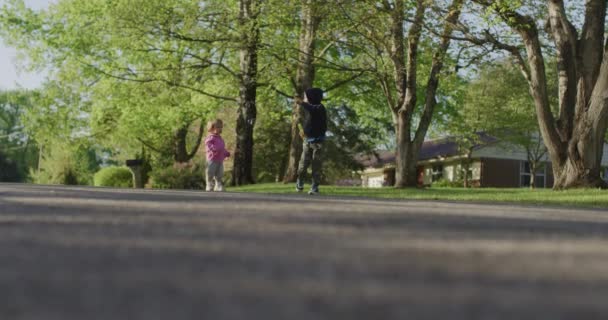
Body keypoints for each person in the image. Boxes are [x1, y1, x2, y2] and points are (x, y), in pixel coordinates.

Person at [296, 87, 327, 195]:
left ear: (312, 98)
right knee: (303, 164)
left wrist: (302, 103)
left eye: (305, 97)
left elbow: (312, 110)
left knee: (316, 165)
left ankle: (314, 187)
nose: (304, 99)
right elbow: (309, 123)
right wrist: (303, 131)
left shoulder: (319, 108)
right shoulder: (309, 111)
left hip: (318, 143)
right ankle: (300, 181)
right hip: (307, 141)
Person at [204, 119, 230, 192]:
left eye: (221, 127)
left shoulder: (220, 138)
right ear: (211, 128)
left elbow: (222, 148)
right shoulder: (210, 137)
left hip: (220, 160)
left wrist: (226, 153)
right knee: (210, 172)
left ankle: (218, 185)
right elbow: (208, 145)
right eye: (218, 127)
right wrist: (213, 149)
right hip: (211, 159)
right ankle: (209, 184)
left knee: (220, 173)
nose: (220, 129)